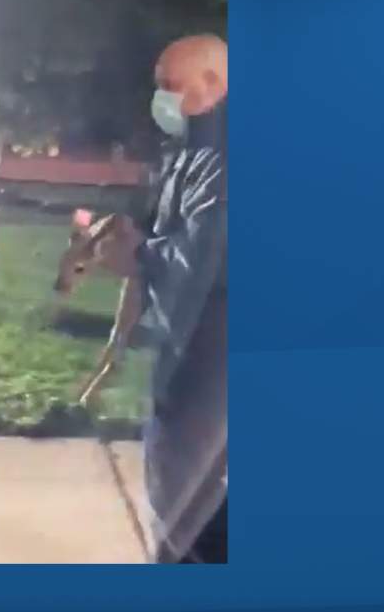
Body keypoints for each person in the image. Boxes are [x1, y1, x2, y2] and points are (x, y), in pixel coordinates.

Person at [98, 34, 228, 563]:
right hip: (191, 349)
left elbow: (203, 261)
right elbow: (175, 233)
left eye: (172, 88)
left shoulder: (224, 159)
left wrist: (137, 256)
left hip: (211, 357)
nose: (163, 102)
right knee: (196, 504)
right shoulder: (194, 149)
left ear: (213, 84)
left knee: (188, 512)